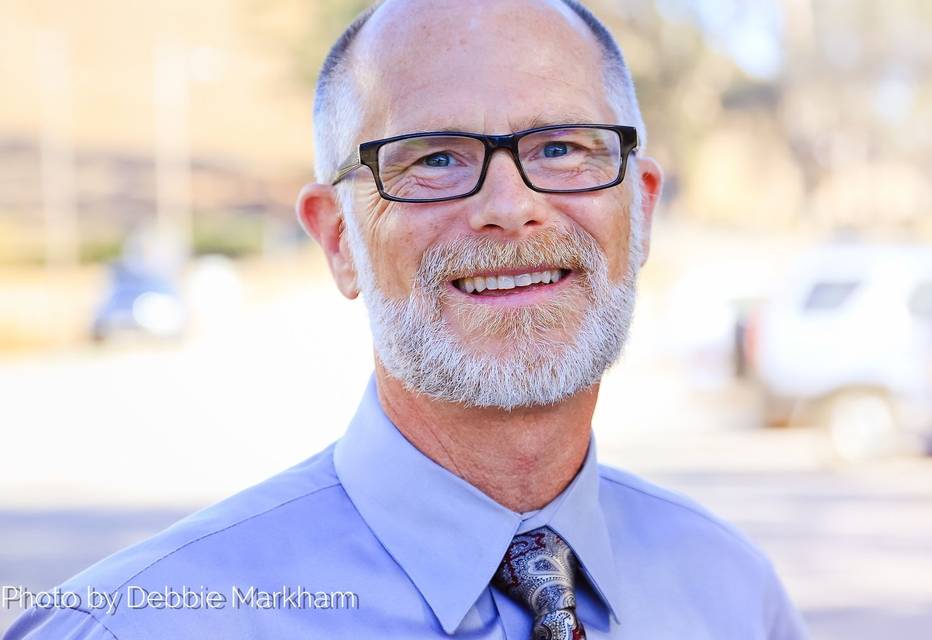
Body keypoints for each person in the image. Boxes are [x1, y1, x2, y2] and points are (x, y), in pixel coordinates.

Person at [4, 0, 808, 638]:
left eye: (562, 147)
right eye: (435, 158)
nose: (511, 208)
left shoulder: (734, 593)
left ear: (640, 209)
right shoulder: (128, 629)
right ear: (337, 240)